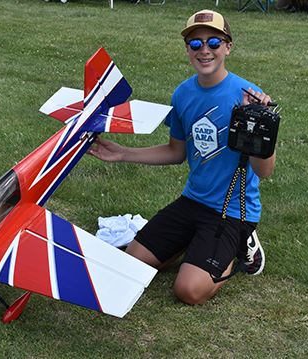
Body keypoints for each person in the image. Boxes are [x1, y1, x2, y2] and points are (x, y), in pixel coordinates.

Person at [86, 10, 276, 305]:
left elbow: (263, 172)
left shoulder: (247, 96)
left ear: (227, 47)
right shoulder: (183, 94)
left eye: (214, 42)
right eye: (195, 43)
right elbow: (177, 152)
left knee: (188, 291)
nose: (205, 50)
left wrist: (260, 126)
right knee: (131, 262)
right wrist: (123, 153)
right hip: (192, 201)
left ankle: (242, 245)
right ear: (187, 49)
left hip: (231, 212)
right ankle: (196, 243)